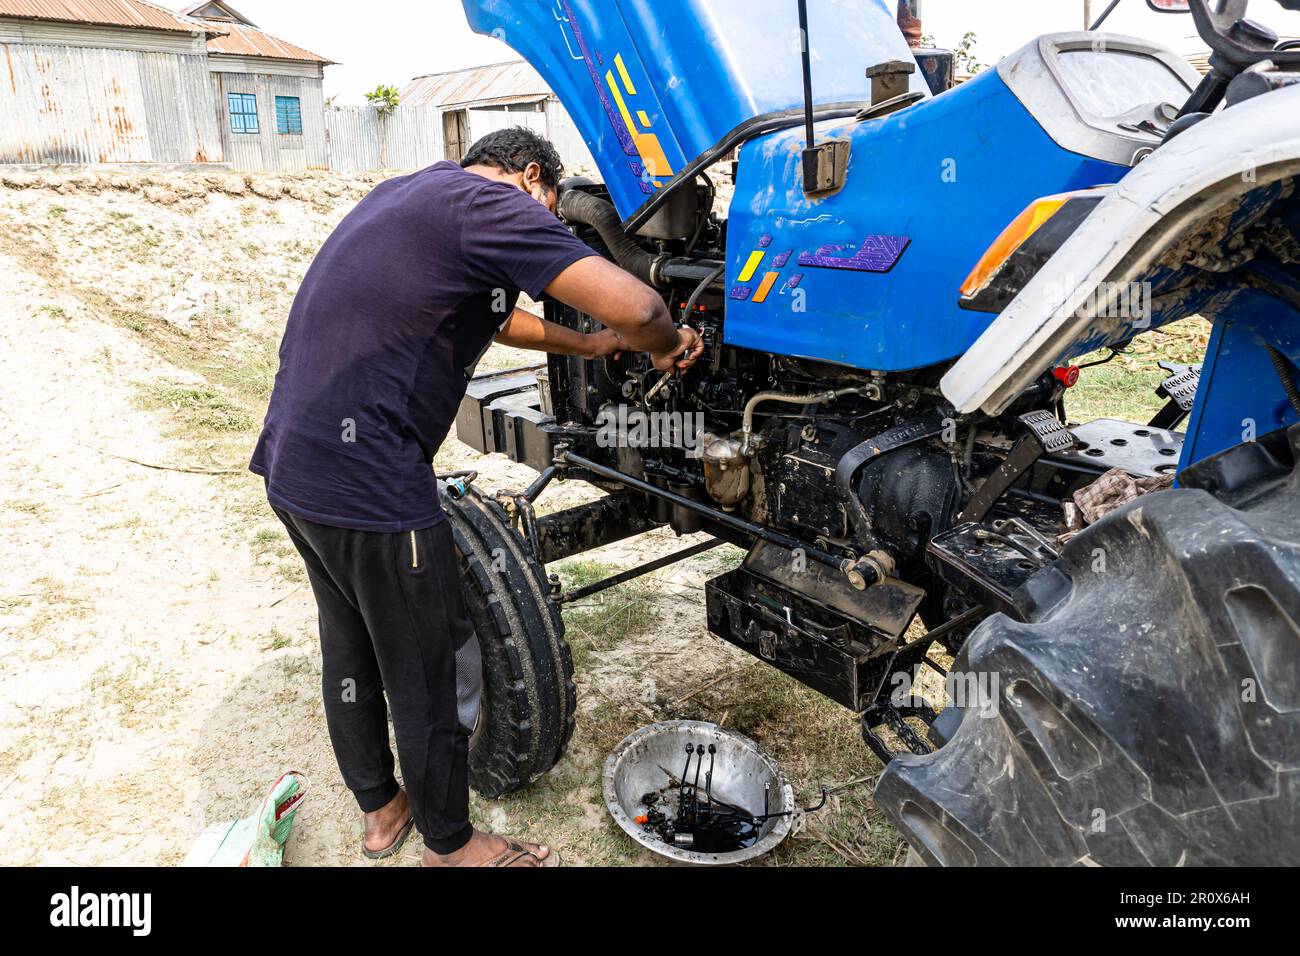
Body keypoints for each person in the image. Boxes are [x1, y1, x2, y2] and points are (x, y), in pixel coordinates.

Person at [251, 127, 703, 868]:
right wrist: (659, 340)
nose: (547, 226)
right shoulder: (492, 203)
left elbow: (496, 315)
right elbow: (639, 305)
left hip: (297, 467)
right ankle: (451, 847)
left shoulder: (415, 196)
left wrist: (590, 348)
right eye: (552, 210)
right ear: (532, 177)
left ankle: (382, 813)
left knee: (350, 642)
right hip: (371, 482)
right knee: (433, 661)